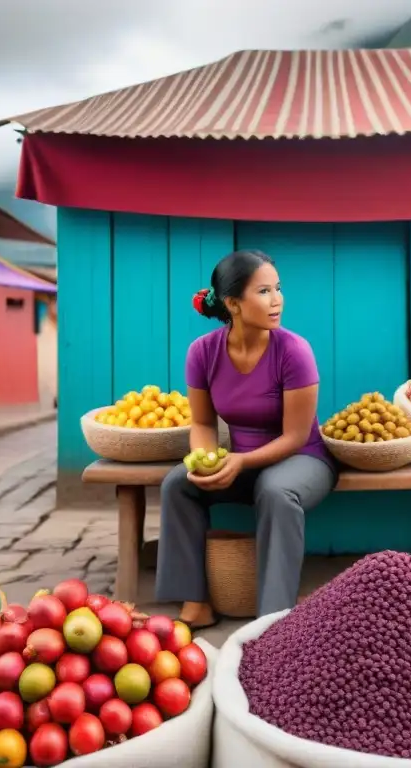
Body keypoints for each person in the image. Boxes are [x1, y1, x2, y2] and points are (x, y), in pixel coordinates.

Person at [155, 249, 337, 628]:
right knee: (178, 484)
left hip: (303, 458)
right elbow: (203, 424)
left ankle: (273, 619)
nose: (277, 300)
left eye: (278, 289)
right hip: (243, 458)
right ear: (233, 304)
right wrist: (205, 461)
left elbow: (295, 435)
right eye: (265, 291)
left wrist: (240, 461)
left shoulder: (294, 351)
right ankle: (195, 601)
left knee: (275, 490)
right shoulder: (202, 353)